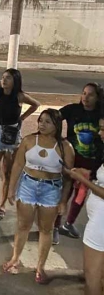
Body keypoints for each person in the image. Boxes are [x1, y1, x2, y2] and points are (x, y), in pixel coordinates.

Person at [2, 109, 74, 284]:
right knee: (23, 225)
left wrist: (64, 201)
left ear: (56, 125)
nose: (42, 124)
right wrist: (11, 189)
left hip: (51, 190)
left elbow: (68, 178)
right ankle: (15, 259)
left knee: (45, 229)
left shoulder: (66, 147)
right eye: (40, 121)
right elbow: (18, 164)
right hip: (28, 186)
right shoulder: (28, 140)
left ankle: (40, 266)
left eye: (47, 122)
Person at [0, 69, 40, 221]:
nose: (4, 80)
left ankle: (2, 205)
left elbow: (36, 104)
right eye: (3, 77)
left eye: (8, 78)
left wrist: (22, 118)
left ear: (15, 81)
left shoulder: (19, 96)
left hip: (12, 133)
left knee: (7, 172)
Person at [54, 82, 103, 244]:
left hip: (92, 161)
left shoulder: (100, 114)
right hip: (72, 158)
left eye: (90, 95)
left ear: (98, 98)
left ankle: (69, 223)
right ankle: (55, 226)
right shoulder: (73, 110)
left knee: (81, 192)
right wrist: (59, 139)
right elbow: (54, 118)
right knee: (65, 191)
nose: (86, 98)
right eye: (84, 93)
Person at [65, 116, 104, 295]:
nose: (100, 133)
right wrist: (88, 173)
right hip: (99, 221)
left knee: (92, 278)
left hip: (101, 226)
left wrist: (83, 180)